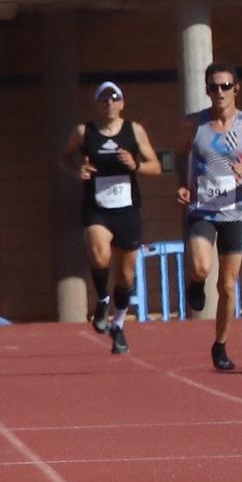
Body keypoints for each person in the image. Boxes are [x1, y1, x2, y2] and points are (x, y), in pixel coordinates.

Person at [176, 62, 242, 371]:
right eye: (214, 87)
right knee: (203, 266)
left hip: (234, 212)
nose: (219, 92)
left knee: (228, 286)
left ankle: (220, 345)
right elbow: (179, 154)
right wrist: (182, 183)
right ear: (206, 90)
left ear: (236, 90)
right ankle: (195, 281)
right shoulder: (194, 124)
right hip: (202, 209)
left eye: (225, 86)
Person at [59, 80, 161, 355]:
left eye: (114, 99)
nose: (109, 104)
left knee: (126, 276)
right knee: (99, 255)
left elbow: (156, 166)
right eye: (104, 100)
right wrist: (77, 169)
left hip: (126, 209)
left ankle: (117, 324)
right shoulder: (84, 132)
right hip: (97, 208)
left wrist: (136, 164)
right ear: (98, 104)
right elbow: (65, 157)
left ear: (122, 103)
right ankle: (102, 300)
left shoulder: (134, 131)